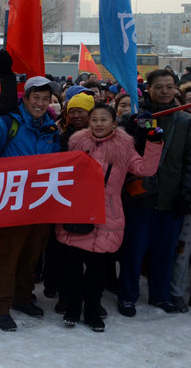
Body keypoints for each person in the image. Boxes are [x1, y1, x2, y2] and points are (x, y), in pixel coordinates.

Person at [0, 76, 61, 332]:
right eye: (35, 97)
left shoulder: (52, 128)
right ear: (25, 99)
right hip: (11, 203)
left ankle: (22, 298)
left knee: (30, 256)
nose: (39, 103)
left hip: (40, 204)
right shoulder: (11, 123)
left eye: (45, 99)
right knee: (7, 255)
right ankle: (1, 307)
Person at [56, 103, 161, 332]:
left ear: (114, 123)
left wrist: (153, 141)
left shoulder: (123, 147)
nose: (98, 124)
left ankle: (93, 312)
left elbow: (146, 169)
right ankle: (73, 308)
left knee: (96, 271)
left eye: (104, 120)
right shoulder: (76, 142)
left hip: (105, 215)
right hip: (77, 210)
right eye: (94, 120)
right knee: (71, 268)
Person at [120, 69, 191, 316]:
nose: (164, 91)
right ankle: (128, 296)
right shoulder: (135, 117)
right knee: (134, 250)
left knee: (165, 251)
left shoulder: (185, 121)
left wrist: (186, 193)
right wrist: (133, 129)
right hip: (140, 196)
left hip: (171, 198)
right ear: (147, 88)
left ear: (176, 89)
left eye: (169, 86)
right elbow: (119, 148)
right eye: (158, 86)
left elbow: (189, 162)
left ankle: (160, 295)